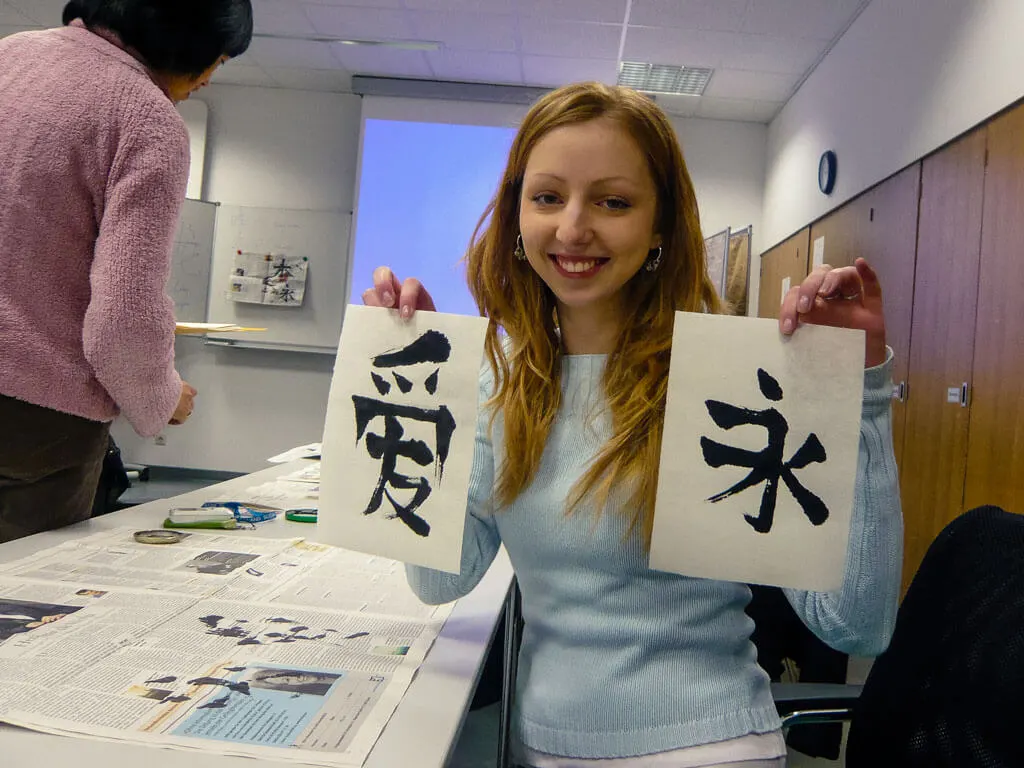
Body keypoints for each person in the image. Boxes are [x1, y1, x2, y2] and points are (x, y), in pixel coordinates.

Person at [362, 82, 903, 767]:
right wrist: (427, 400)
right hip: (540, 743)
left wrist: (858, 391)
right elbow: (441, 581)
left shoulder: (728, 379)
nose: (572, 228)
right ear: (515, 211)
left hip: (707, 746)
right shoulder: (503, 375)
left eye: (613, 202)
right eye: (547, 196)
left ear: (660, 227)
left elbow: (856, 623)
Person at [0, 1, 253, 543]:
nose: (208, 79)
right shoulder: (146, 118)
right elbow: (121, 317)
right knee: (22, 610)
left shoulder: (9, 56)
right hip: (33, 422)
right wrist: (162, 396)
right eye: (219, 61)